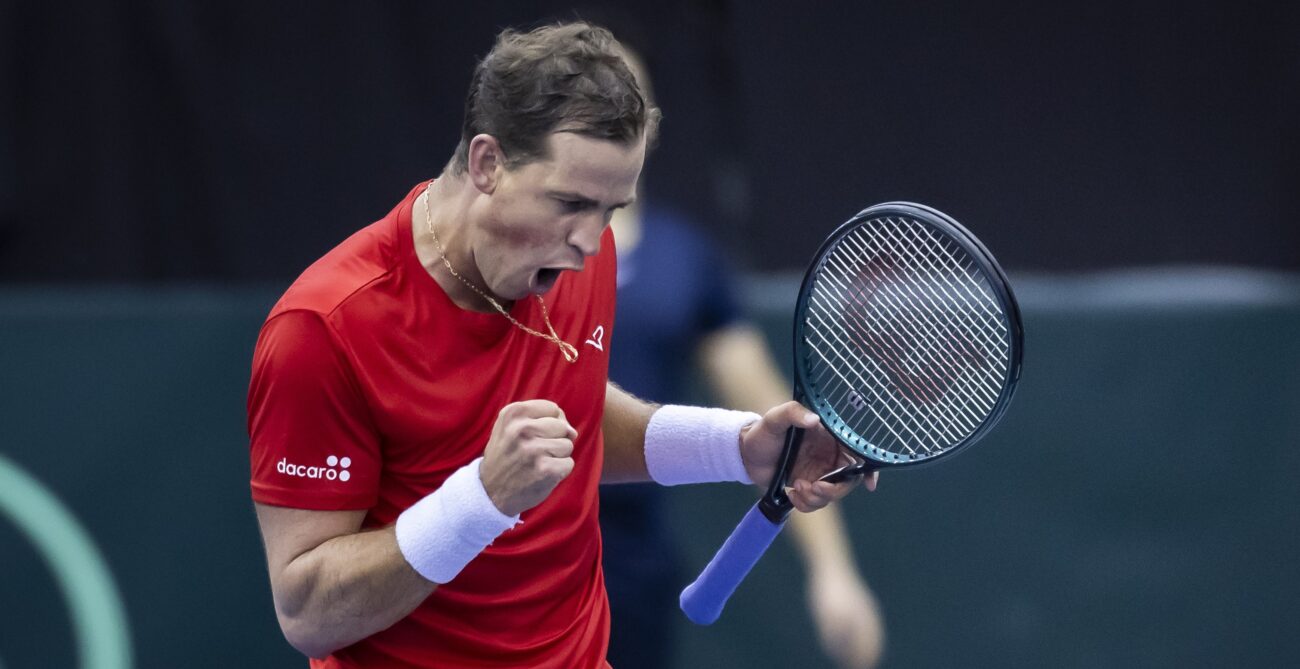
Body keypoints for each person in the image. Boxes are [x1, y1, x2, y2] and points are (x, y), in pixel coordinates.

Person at [246, 21, 875, 669]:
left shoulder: (582, 249)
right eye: (570, 202)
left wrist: (737, 446)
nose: (591, 238)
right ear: (488, 162)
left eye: (611, 207)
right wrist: (482, 498)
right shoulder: (322, 328)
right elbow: (308, 611)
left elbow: (571, 418)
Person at [599, 46, 885, 669]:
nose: (606, 119)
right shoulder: (513, 255)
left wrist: (833, 572)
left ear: (650, 126)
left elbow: (774, 421)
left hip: (629, 575)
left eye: (623, 106)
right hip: (500, 549)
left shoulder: (685, 260)